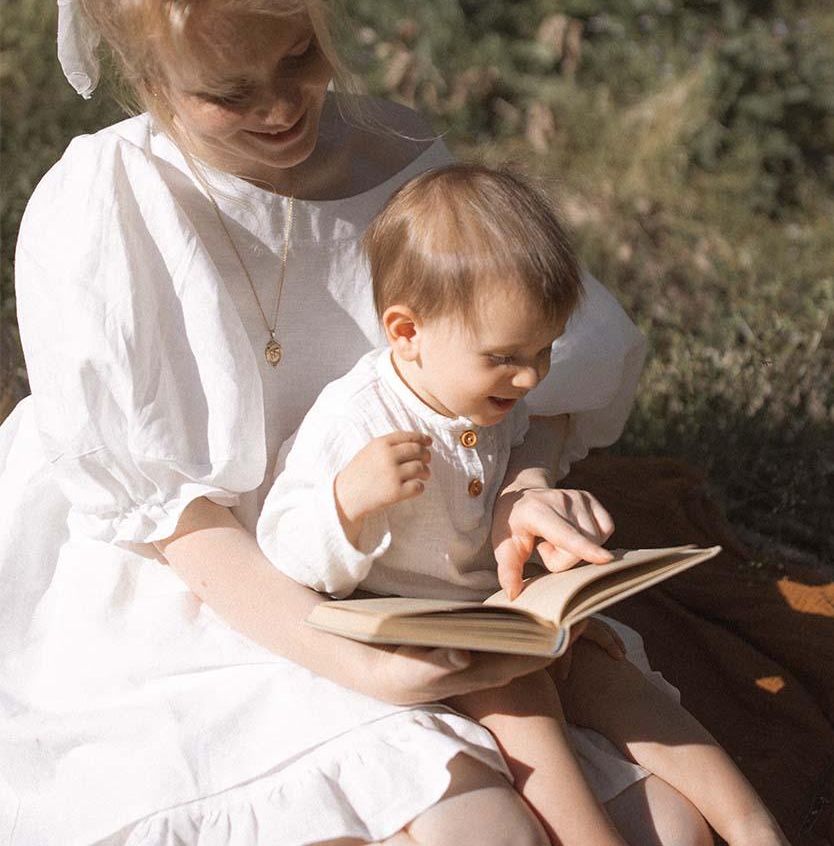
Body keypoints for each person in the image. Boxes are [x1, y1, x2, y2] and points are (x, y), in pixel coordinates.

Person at [1, 0, 694, 844]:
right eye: (229, 94)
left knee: (668, 819)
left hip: (408, 571)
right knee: (468, 819)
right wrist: (356, 664)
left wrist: (517, 489)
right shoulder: (103, 213)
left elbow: (512, 387)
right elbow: (177, 523)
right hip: (202, 589)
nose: (282, 109)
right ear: (147, 73)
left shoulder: (397, 165)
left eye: (298, 58)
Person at [257, 163, 792, 846]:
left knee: (603, 667)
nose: (532, 375)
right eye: (507, 356)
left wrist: (545, 531)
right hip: (413, 630)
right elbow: (282, 545)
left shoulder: (490, 396)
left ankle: (752, 824)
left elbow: (514, 467)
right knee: (516, 688)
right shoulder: (356, 422)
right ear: (406, 333)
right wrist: (347, 502)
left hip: (495, 610)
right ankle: (589, 835)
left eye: (543, 350)